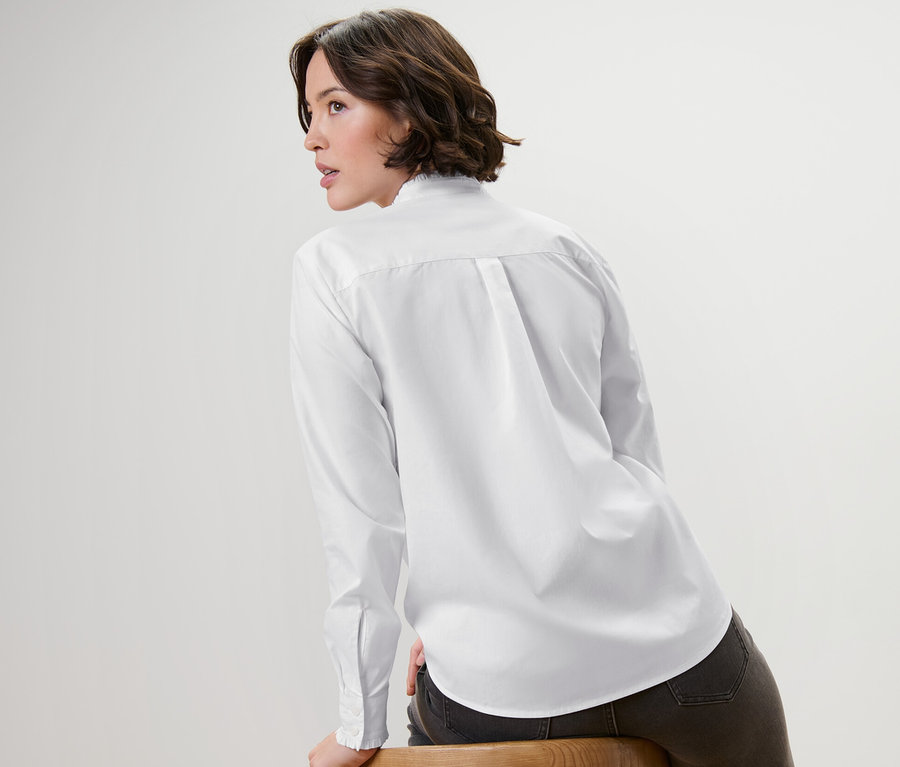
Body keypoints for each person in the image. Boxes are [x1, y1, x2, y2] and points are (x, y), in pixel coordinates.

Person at [287, 9, 794, 767]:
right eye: (309, 113)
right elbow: (634, 453)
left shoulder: (335, 270)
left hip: (504, 689)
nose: (312, 137)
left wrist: (363, 723)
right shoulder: (563, 247)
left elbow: (361, 520)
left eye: (336, 105)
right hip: (686, 654)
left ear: (411, 104)